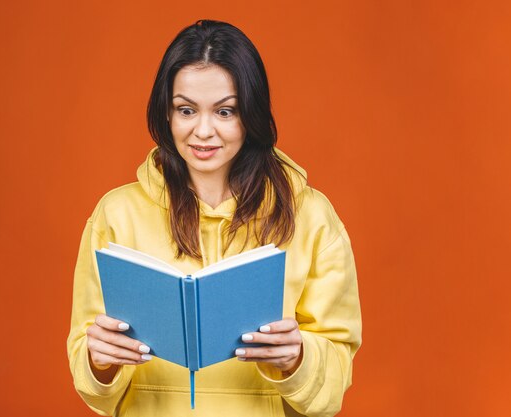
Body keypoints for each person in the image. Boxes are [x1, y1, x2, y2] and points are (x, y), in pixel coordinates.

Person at [67, 19, 362, 417]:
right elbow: (92, 382)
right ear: (166, 113)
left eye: (225, 111)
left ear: (251, 114)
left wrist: (298, 359)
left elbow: (333, 388)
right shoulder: (116, 214)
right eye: (186, 110)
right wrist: (98, 363)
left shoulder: (311, 216)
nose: (203, 131)